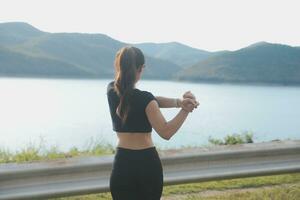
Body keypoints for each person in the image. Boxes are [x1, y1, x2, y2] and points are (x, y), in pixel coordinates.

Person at [106, 46, 199, 200]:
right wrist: (186, 109)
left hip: (121, 163)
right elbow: (166, 132)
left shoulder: (111, 90)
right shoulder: (145, 99)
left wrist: (179, 102)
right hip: (146, 164)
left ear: (118, 66)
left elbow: (150, 100)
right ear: (141, 69)